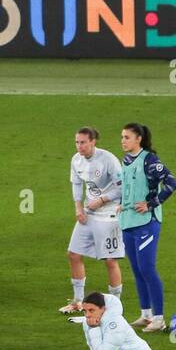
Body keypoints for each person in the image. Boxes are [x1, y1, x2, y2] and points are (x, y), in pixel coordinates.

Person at [119, 123, 176, 334]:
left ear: (138, 140)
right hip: (127, 222)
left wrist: (151, 204)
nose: (123, 140)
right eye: (122, 137)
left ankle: (159, 318)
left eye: (127, 137)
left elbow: (171, 183)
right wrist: (121, 202)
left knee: (147, 269)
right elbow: (126, 185)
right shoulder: (125, 160)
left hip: (146, 223)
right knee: (137, 270)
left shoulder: (150, 161)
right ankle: (146, 315)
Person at [62, 127, 124, 313]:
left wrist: (102, 200)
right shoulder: (76, 160)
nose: (79, 146)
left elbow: (122, 188)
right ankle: (78, 301)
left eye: (83, 142)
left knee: (110, 260)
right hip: (89, 213)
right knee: (73, 254)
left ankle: (114, 306)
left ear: (93, 142)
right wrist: (78, 207)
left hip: (109, 215)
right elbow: (77, 184)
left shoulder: (109, 160)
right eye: (77, 142)